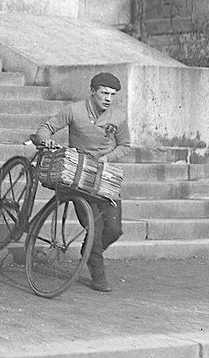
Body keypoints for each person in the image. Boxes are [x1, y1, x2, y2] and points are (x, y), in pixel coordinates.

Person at [30, 71, 129, 293]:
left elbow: (125, 145)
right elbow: (45, 128)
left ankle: (89, 250)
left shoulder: (118, 117)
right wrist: (47, 142)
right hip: (79, 175)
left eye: (112, 95)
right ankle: (98, 275)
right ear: (92, 92)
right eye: (104, 93)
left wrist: (107, 157)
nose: (108, 98)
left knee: (114, 230)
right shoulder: (75, 111)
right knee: (93, 226)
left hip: (104, 176)